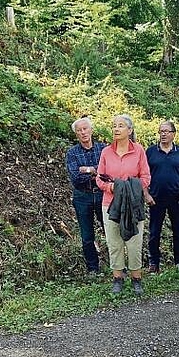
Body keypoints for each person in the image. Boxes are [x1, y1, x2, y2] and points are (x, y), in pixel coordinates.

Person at [96, 115, 152, 295]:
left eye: (120, 126)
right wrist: (111, 187)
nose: (116, 129)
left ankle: (136, 278)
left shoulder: (138, 150)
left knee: (134, 242)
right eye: (114, 126)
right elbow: (99, 177)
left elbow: (146, 177)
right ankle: (117, 278)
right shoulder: (106, 152)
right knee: (114, 242)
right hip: (109, 203)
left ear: (130, 130)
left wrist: (129, 188)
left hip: (133, 203)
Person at [66, 116, 107, 275]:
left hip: (103, 194)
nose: (83, 132)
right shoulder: (72, 153)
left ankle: (117, 267)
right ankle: (92, 269)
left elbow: (107, 173)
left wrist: (88, 169)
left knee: (110, 231)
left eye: (85, 129)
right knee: (87, 235)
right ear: (76, 134)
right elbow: (75, 178)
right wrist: (97, 171)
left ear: (91, 130)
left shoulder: (103, 149)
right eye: (79, 130)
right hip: (82, 196)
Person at [145, 121, 179, 273]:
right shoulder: (150, 152)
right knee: (154, 232)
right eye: (161, 131)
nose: (163, 134)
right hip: (155, 198)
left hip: (176, 198)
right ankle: (154, 263)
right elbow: (142, 174)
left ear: (173, 134)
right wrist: (146, 194)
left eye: (166, 131)